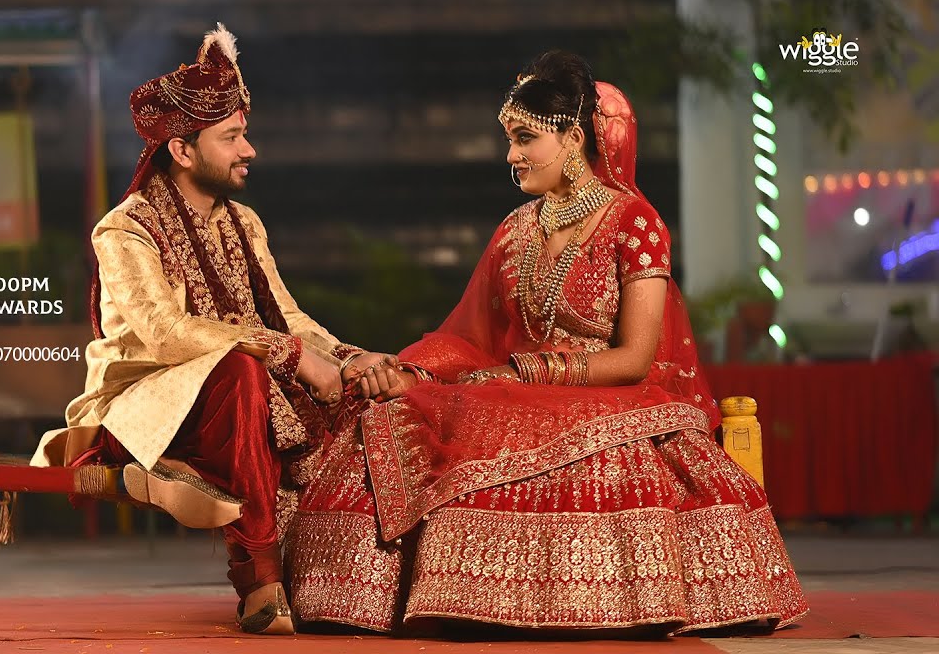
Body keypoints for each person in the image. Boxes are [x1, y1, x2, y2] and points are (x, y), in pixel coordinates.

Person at [287, 50, 809, 635]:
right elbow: (467, 335)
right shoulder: (514, 230)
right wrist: (413, 371)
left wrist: (529, 373)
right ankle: (379, 595)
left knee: (504, 419)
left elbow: (636, 358)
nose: (510, 156)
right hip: (507, 389)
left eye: (525, 138)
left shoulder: (635, 223)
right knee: (392, 411)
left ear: (573, 139)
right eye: (509, 139)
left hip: (609, 396)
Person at [32, 23, 395, 635]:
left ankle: (338, 577)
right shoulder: (125, 229)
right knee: (243, 371)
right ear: (181, 150)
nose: (248, 150)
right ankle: (260, 580)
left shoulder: (243, 223)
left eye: (244, 134)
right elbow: (165, 333)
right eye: (231, 138)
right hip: (146, 404)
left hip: (234, 397)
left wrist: (346, 356)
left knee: (353, 390)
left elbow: (286, 315)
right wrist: (289, 356)